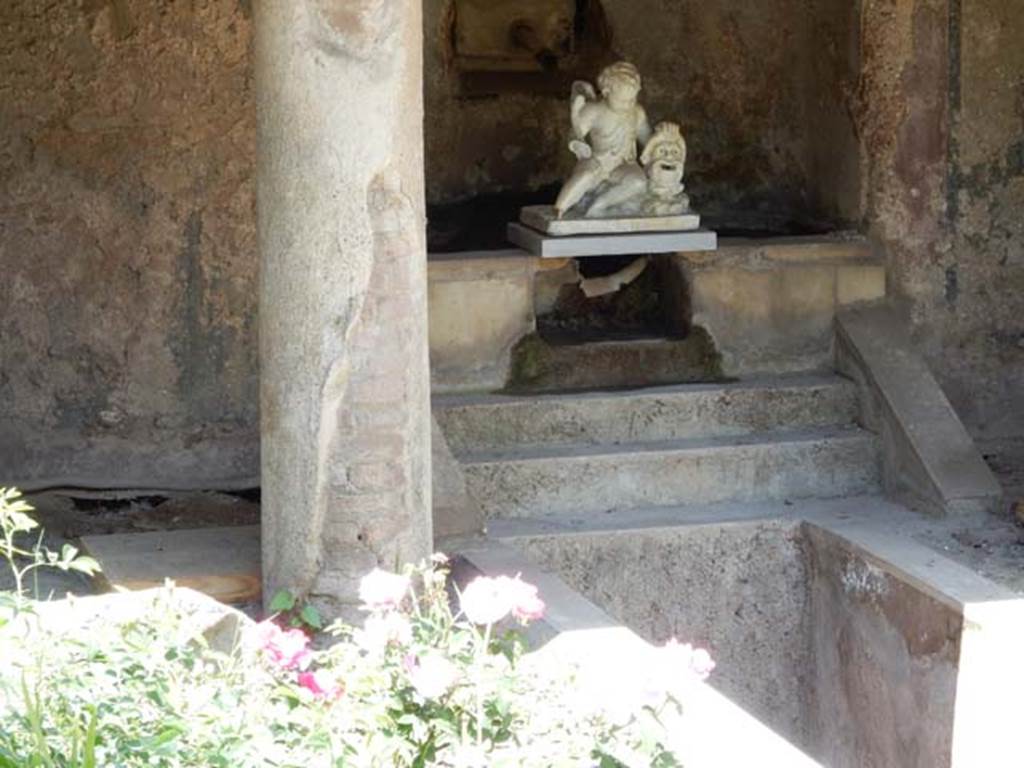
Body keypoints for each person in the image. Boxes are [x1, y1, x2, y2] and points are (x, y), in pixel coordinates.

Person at [554, 61, 653, 218]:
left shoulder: (637, 112)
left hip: (623, 163)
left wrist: (663, 137)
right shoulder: (594, 110)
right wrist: (578, 144)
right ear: (606, 92)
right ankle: (560, 210)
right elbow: (575, 133)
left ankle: (600, 204)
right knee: (584, 177)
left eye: (631, 100)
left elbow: (647, 139)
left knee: (638, 182)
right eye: (621, 101)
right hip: (597, 161)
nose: (627, 105)